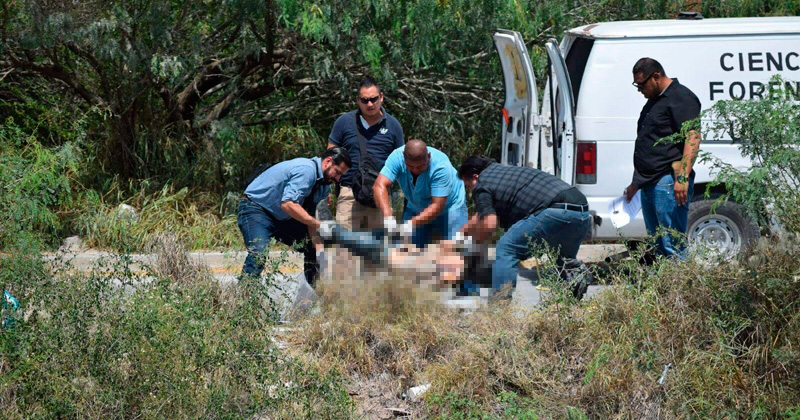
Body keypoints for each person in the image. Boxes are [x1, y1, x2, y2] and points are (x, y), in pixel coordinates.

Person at [457, 156, 591, 299]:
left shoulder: (482, 184)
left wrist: (474, 250)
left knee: (506, 250)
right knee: (564, 262)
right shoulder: (502, 173)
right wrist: (459, 238)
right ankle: (572, 302)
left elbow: (489, 223)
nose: (470, 190)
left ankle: (500, 303)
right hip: (581, 212)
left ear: (475, 177)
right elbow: (481, 215)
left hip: (554, 211)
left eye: (468, 186)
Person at [238, 147, 351, 286]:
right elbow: (288, 204)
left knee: (314, 246)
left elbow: (311, 218)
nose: (337, 179)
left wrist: (320, 251)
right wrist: (319, 225)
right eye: (337, 172)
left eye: (341, 176)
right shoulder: (306, 170)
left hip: (282, 218)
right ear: (328, 161)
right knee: (258, 253)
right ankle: (244, 294)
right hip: (256, 209)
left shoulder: (324, 186)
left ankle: (318, 291)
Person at [625, 58, 701, 258]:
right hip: (649, 183)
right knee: (657, 246)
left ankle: (680, 279)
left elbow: (692, 137)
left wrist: (682, 178)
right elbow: (650, 143)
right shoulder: (654, 101)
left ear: (656, 77)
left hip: (667, 182)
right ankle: (664, 280)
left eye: (641, 84)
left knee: (672, 246)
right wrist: (635, 184)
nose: (639, 90)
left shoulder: (682, 98)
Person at [373, 140, 471, 293]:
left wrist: (410, 224)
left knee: (456, 253)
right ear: (404, 156)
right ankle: (409, 293)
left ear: (428, 157)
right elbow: (379, 185)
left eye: (420, 166)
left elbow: (437, 206)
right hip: (416, 206)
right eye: (410, 166)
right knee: (404, 252)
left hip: (450, 207)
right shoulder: (396, 157)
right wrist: (388, 217)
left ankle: (465, 294)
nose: (415, 170)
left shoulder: (441, 166)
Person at [327, 76, 405, 230]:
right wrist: (326, 188)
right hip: (349, 193)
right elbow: (330, 156)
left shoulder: (393, 125)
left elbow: (401, 161)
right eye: (365, 100)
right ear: (358, 100)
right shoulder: (344, 122)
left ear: (381, 97)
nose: (370, 104)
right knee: (344, 243)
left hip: (380, 194)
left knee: (380, 244)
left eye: (373, 99)